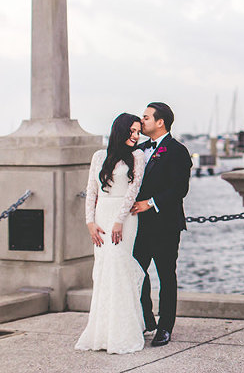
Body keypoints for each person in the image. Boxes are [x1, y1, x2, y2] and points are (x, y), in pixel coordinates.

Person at [75, 113, 146, 354]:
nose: (136, 136)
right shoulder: (98, 157)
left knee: (118, 265)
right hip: (101, 216)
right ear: (120, 130)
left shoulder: (138, 156)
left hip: (124, 220)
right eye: (132, 131)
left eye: (138, 132)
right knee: (103, 270)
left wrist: (119, 221)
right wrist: (90, 223)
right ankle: (102, 332)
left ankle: (123, 332)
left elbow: (132, 192)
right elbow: (91, 191)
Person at [130, 102, 192, 347]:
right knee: (136, 273)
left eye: (145, 117)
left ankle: (165, 326)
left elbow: (180, 189)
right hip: (138, 227)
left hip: (165, 225)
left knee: (166, 276)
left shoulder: (177, 150)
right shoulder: (139, 149)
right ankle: (147, 318)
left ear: (160, 122)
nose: (141, 121)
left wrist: (151, 203)